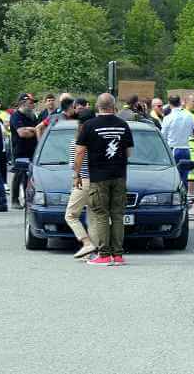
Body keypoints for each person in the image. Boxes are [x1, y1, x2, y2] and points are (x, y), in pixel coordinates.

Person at [75, 93, 134, 266]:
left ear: (97, 107)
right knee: (117, 215)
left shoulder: (89, 125)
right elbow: (129, 152)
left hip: (98, 177)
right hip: (119, 176)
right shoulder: (123, 125)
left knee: (100, 214)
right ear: (114, 106)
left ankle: (104, 254)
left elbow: (79, 152)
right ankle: (118, 255)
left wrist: (76, 174)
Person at [65, 109, 96, 259]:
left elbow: (73, 164)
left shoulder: (77, 141)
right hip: (99, 180)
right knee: (93, 216)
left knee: (71, 215)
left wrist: (75, 174)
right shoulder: (99, 140)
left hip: (83, 181)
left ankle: (87, 243)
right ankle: (95, 251)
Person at [10, 94, 39, 209]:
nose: (33, 105)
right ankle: (15, 200)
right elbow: (22, 133)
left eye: (33, 103)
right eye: (31, 102)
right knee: (19, 174)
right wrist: (34, 130)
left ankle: (28, 200)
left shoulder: (32, 116)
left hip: (33, 150)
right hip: (20, 150)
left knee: (29, 177)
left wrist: (32, 130)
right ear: (23, 103)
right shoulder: (16, 116)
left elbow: (39, 130)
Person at [161, 95, 194, 185]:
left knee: (173, 177)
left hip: (173, 149)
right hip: (186, 149)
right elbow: (193, 133)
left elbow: (163, 136)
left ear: (169, 104)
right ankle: (184, 196)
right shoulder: (189, 115)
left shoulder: (168, 118)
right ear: (180, 102)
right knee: (184, 177)